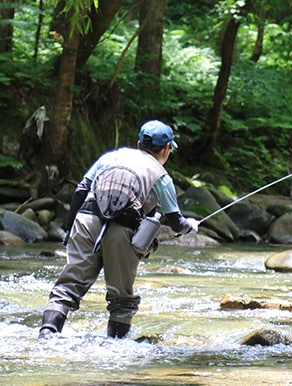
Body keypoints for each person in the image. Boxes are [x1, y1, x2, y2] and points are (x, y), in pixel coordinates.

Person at [38, 120, 200, 340]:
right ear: (166, 149)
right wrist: (191, 225)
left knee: (68, 286)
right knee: (121, 298)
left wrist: (70, 229)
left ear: (138, 143)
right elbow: (176, 224)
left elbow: (80, 191)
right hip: (123, 229)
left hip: (85, 220)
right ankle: (115, 348)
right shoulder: (161, 175)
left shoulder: (110, 157)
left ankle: (47, 335)